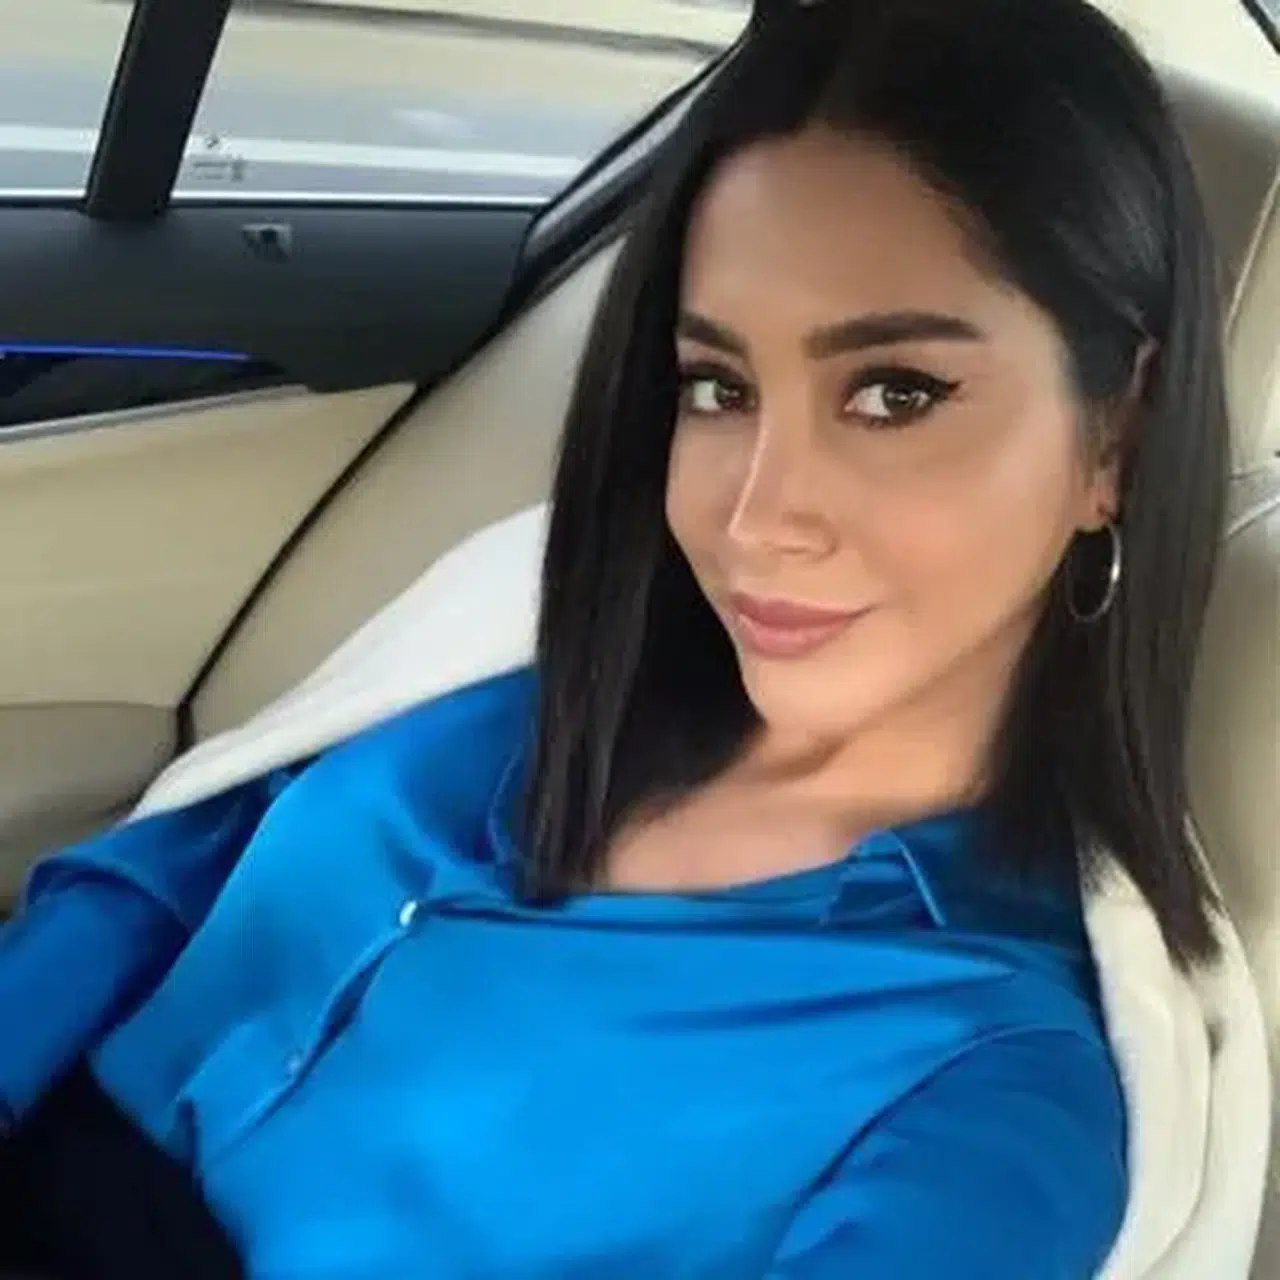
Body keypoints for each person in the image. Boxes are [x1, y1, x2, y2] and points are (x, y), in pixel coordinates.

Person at [0, 0, 1235, 1274]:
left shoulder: (990, 1094)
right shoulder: (518, 647)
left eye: (892, 393)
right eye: (719, 387)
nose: (754, 517)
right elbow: (181, 861)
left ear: (1113, 437)